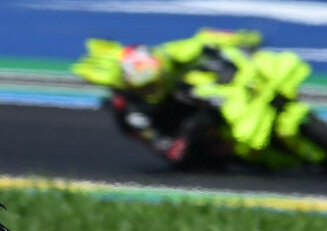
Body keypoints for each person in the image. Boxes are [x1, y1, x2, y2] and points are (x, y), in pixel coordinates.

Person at [72, 28, 263, 169]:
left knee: (196, 80)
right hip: (181, 133)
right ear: (131, 88)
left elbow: (202, 40)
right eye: (146, 88)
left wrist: (238, 40)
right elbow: (170, 150)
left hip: (193, 102)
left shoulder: (164, 57)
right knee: (196, 161)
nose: (154, 90)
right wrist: (191, 129)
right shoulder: (132, 114)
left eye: (156, 82)